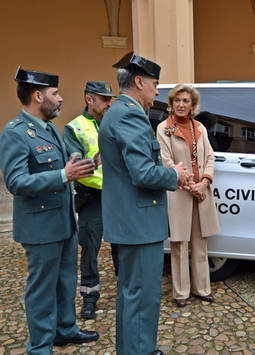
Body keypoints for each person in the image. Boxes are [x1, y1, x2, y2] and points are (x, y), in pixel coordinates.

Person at [0, 67, 99, 354]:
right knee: (42, 288)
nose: (61, 99)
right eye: (56, 94)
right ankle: (40, 346)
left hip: (64, 220)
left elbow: (58, 169)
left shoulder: (48, 128)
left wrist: (79, 166)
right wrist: (63, 176)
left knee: (66, 280)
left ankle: (65, 330)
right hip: (40, 227)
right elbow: (16, 182)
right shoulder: (16, 133)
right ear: (37, 95)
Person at [98, 52, 190, 355]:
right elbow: (142, 173)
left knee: (131, 296)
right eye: (155, 84)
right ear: (139, 82)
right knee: (142, 298)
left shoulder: (118, 111)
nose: (157, 91)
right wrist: (172, 173)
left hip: (130, 222)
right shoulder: (129, 114)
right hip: (138, 225)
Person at [157, 84, 220, 308]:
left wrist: (204, 182)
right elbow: (166, 162)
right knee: (179, 243)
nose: (181, 105)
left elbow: (210, 157)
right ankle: (181, 292)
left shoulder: (200, 127)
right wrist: (188, 183)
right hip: (179, 192)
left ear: (193, 105)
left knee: (201, 242)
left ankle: (202, 288)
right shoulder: (164, 128)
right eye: (177, 101)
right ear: (171, 104)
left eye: (186, 101)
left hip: (200, 192)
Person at [63, 81, 119, 320]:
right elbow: (73, 167)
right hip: (92, 197)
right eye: (104, 99)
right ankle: (89, 297)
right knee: (90, 248)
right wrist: (94, 163)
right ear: (89, 99)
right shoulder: (74, 127)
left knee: (122, 245)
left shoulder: (114, 122)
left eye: (110, 99)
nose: (109, 103)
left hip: (117, 195)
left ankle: (125, 291)